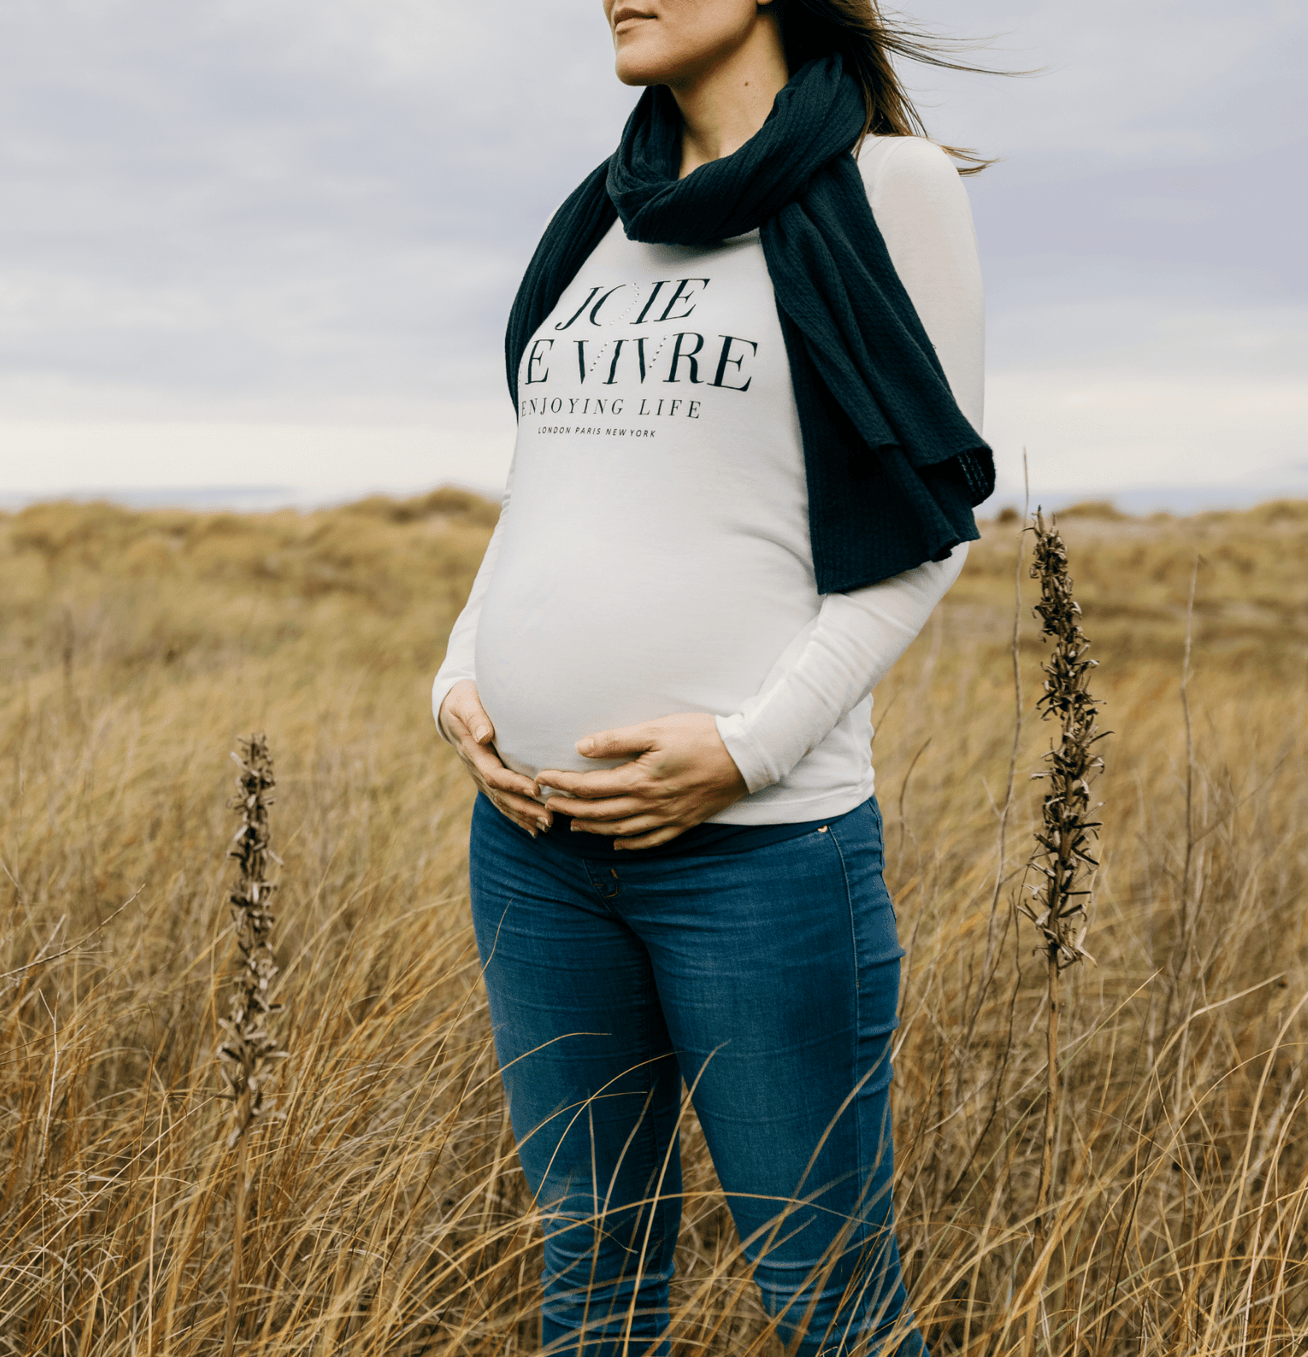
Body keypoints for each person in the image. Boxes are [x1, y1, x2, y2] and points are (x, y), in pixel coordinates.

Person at [432, 1, 996, 1352]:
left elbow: (924, 534)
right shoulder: (604, 213)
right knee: (593, 1276)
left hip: (757, 857)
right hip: (532, 848)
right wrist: (458, 682)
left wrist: (745, 750)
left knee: (830, 1303)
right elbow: (545, 500)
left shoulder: (884, 186)